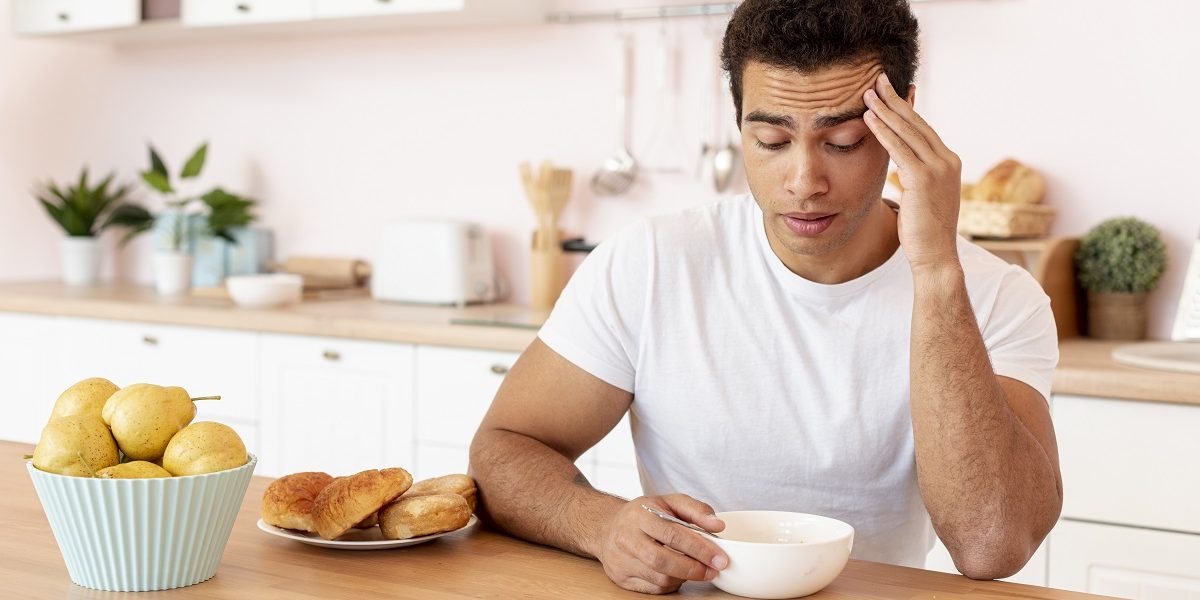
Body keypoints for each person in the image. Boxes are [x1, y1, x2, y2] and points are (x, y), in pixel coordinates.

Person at [470, 0, 1062, 594]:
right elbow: (503, 451)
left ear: (903, 119)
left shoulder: (993, 295)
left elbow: (994, 545)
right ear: (739, 127)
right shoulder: (651, 263)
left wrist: (934, 269)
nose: (804, 182)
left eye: (846, 141)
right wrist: (598, 525)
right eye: (773, 141)